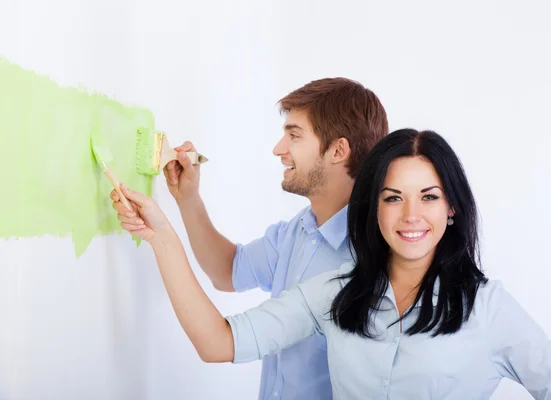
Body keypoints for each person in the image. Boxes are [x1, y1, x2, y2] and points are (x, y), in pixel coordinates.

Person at [112, 128, 551, 400]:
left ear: (451, 208)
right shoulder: (336, 292)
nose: (410, 216)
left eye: (428, 197)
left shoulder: (488, 308)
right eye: (393, 198)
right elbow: (219, 342)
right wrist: (162, 238)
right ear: (373, 208)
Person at [113, 77, 389, 399]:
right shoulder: (299, 230)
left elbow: (219, 343)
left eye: (294, 136)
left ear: (338, 150)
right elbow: (226, 270)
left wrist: (160, 237)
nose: (278, 149)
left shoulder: (372, 258)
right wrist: (188, 200)